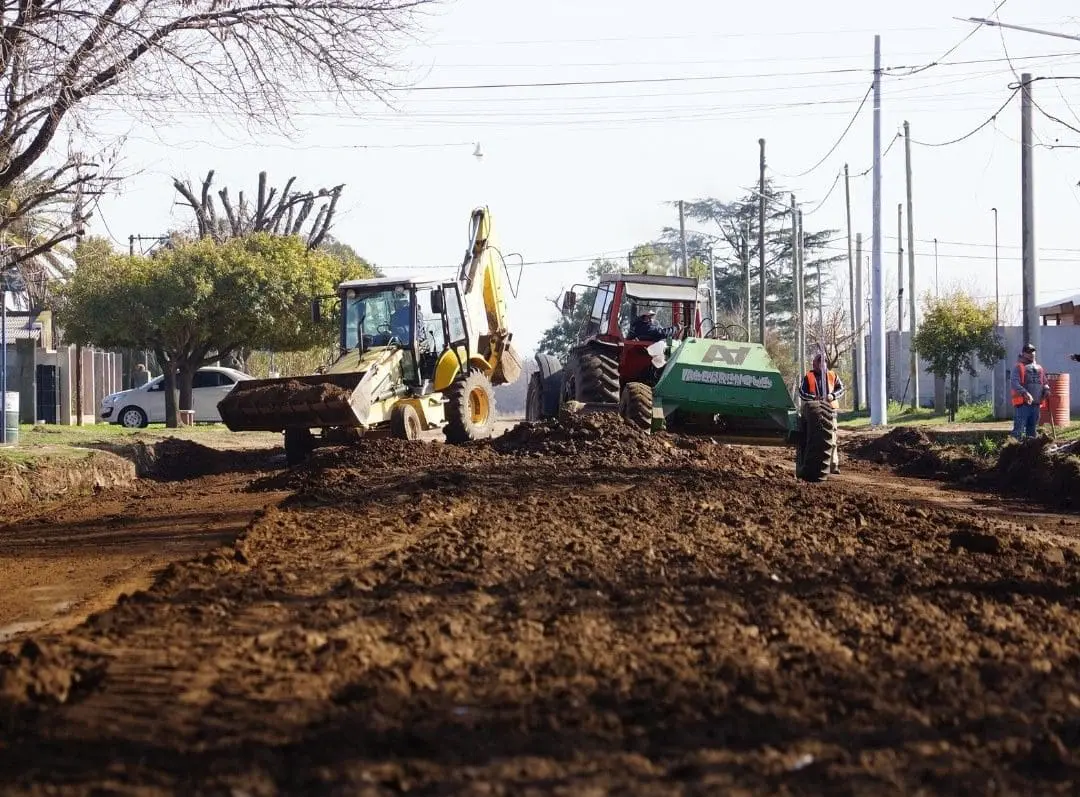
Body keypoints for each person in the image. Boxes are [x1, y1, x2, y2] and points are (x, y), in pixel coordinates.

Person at [799, 352, 845, 474]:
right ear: (815, 363)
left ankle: (833, 465)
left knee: (832, 439)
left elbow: (841, 389)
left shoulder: (832, 375)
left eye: (824, 361)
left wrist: (832, 395)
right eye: (819, 361)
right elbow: (802, 393)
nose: (822, 364)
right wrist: (814, 398)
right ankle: (809, 464)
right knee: (812, 439)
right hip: (814, 413)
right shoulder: (809, 376)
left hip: (830, 411)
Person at [1011, 343, 1049, 440]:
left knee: (1032, 431)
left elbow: (1044, 382)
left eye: (1033, 351)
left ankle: (1030, 453)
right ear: (1023, 353)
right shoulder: (1018, 367)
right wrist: (1025, 393)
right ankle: (1012, 452)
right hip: (1023, 405)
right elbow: (1015, 383)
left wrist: (1046, 389)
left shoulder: (1040, 368)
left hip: (1036, 405)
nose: (1031, 353)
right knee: (1018, 430)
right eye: (1028, 352)